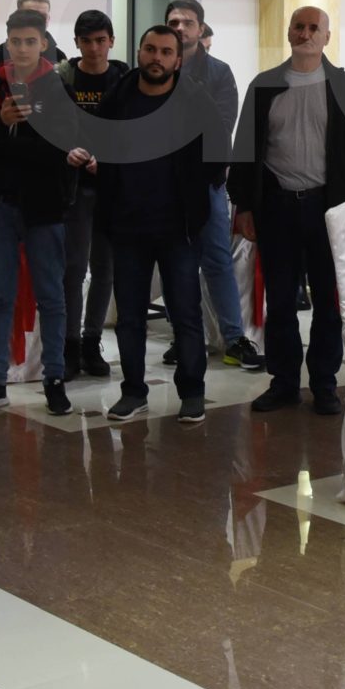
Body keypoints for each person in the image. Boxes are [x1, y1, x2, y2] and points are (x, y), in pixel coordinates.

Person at [230, 6, 345, 414]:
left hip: (329, 209)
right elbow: (245, 149)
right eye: (299, 26)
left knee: (328, 301)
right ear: (289, 32)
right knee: (280, 301)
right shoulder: (264, 85)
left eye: (314, 28)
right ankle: (284, 382)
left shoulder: (343, 86)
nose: (306, 34)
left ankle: (325, 383)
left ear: (327, 37)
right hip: (277, 207)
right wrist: (244, 207)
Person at [86, 24, 214, 424]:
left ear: (177, 60)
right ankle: (133, 392)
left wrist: (197, 197)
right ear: (139, 52)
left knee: (186, 314)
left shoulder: (195, 101)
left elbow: (216, 156)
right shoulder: (118, 98)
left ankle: (192, 392)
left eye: (165, 52)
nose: (156, 58)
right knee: (129, 318)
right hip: (128, 227)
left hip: (179, 228)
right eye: (150, 49)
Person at [0, 9, 78, 417]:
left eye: (30, 41)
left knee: (51, 297)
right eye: (15, 42)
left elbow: (57, 151)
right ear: (6, 44)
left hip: (44, 207)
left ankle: (54, 379)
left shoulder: (58, 90)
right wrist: (0, 122)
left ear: (43, 44)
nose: (22, 49)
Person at [163, 0, 256, 370]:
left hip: (208, 181)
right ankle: (183, 337)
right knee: (175, 261)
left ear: (200, 29)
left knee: (217, 260)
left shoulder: (219, 72)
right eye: (173, 22)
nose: (180, 28)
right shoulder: (156, 69)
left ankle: (234, 338)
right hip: (166, 184)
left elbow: (220, 125)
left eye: (187, 22)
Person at [59, 9, 125, 379]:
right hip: (74, 188)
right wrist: (70, 153)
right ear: (77, 43)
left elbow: (133, 130)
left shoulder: (124, 78)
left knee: (105, 268)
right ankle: (69, 343)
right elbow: (52, 128)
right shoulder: (62, 77)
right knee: (73, 268)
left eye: (101, 40)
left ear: (111, 41)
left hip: (111, 188)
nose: (95, 48)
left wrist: (109, 160)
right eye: (87, 41)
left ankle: (91, 340)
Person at [0, 0, 62, 78]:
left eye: (43, 16)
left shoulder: (59, 57)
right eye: (30, 14)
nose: (37, 20)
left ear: (48, 19)